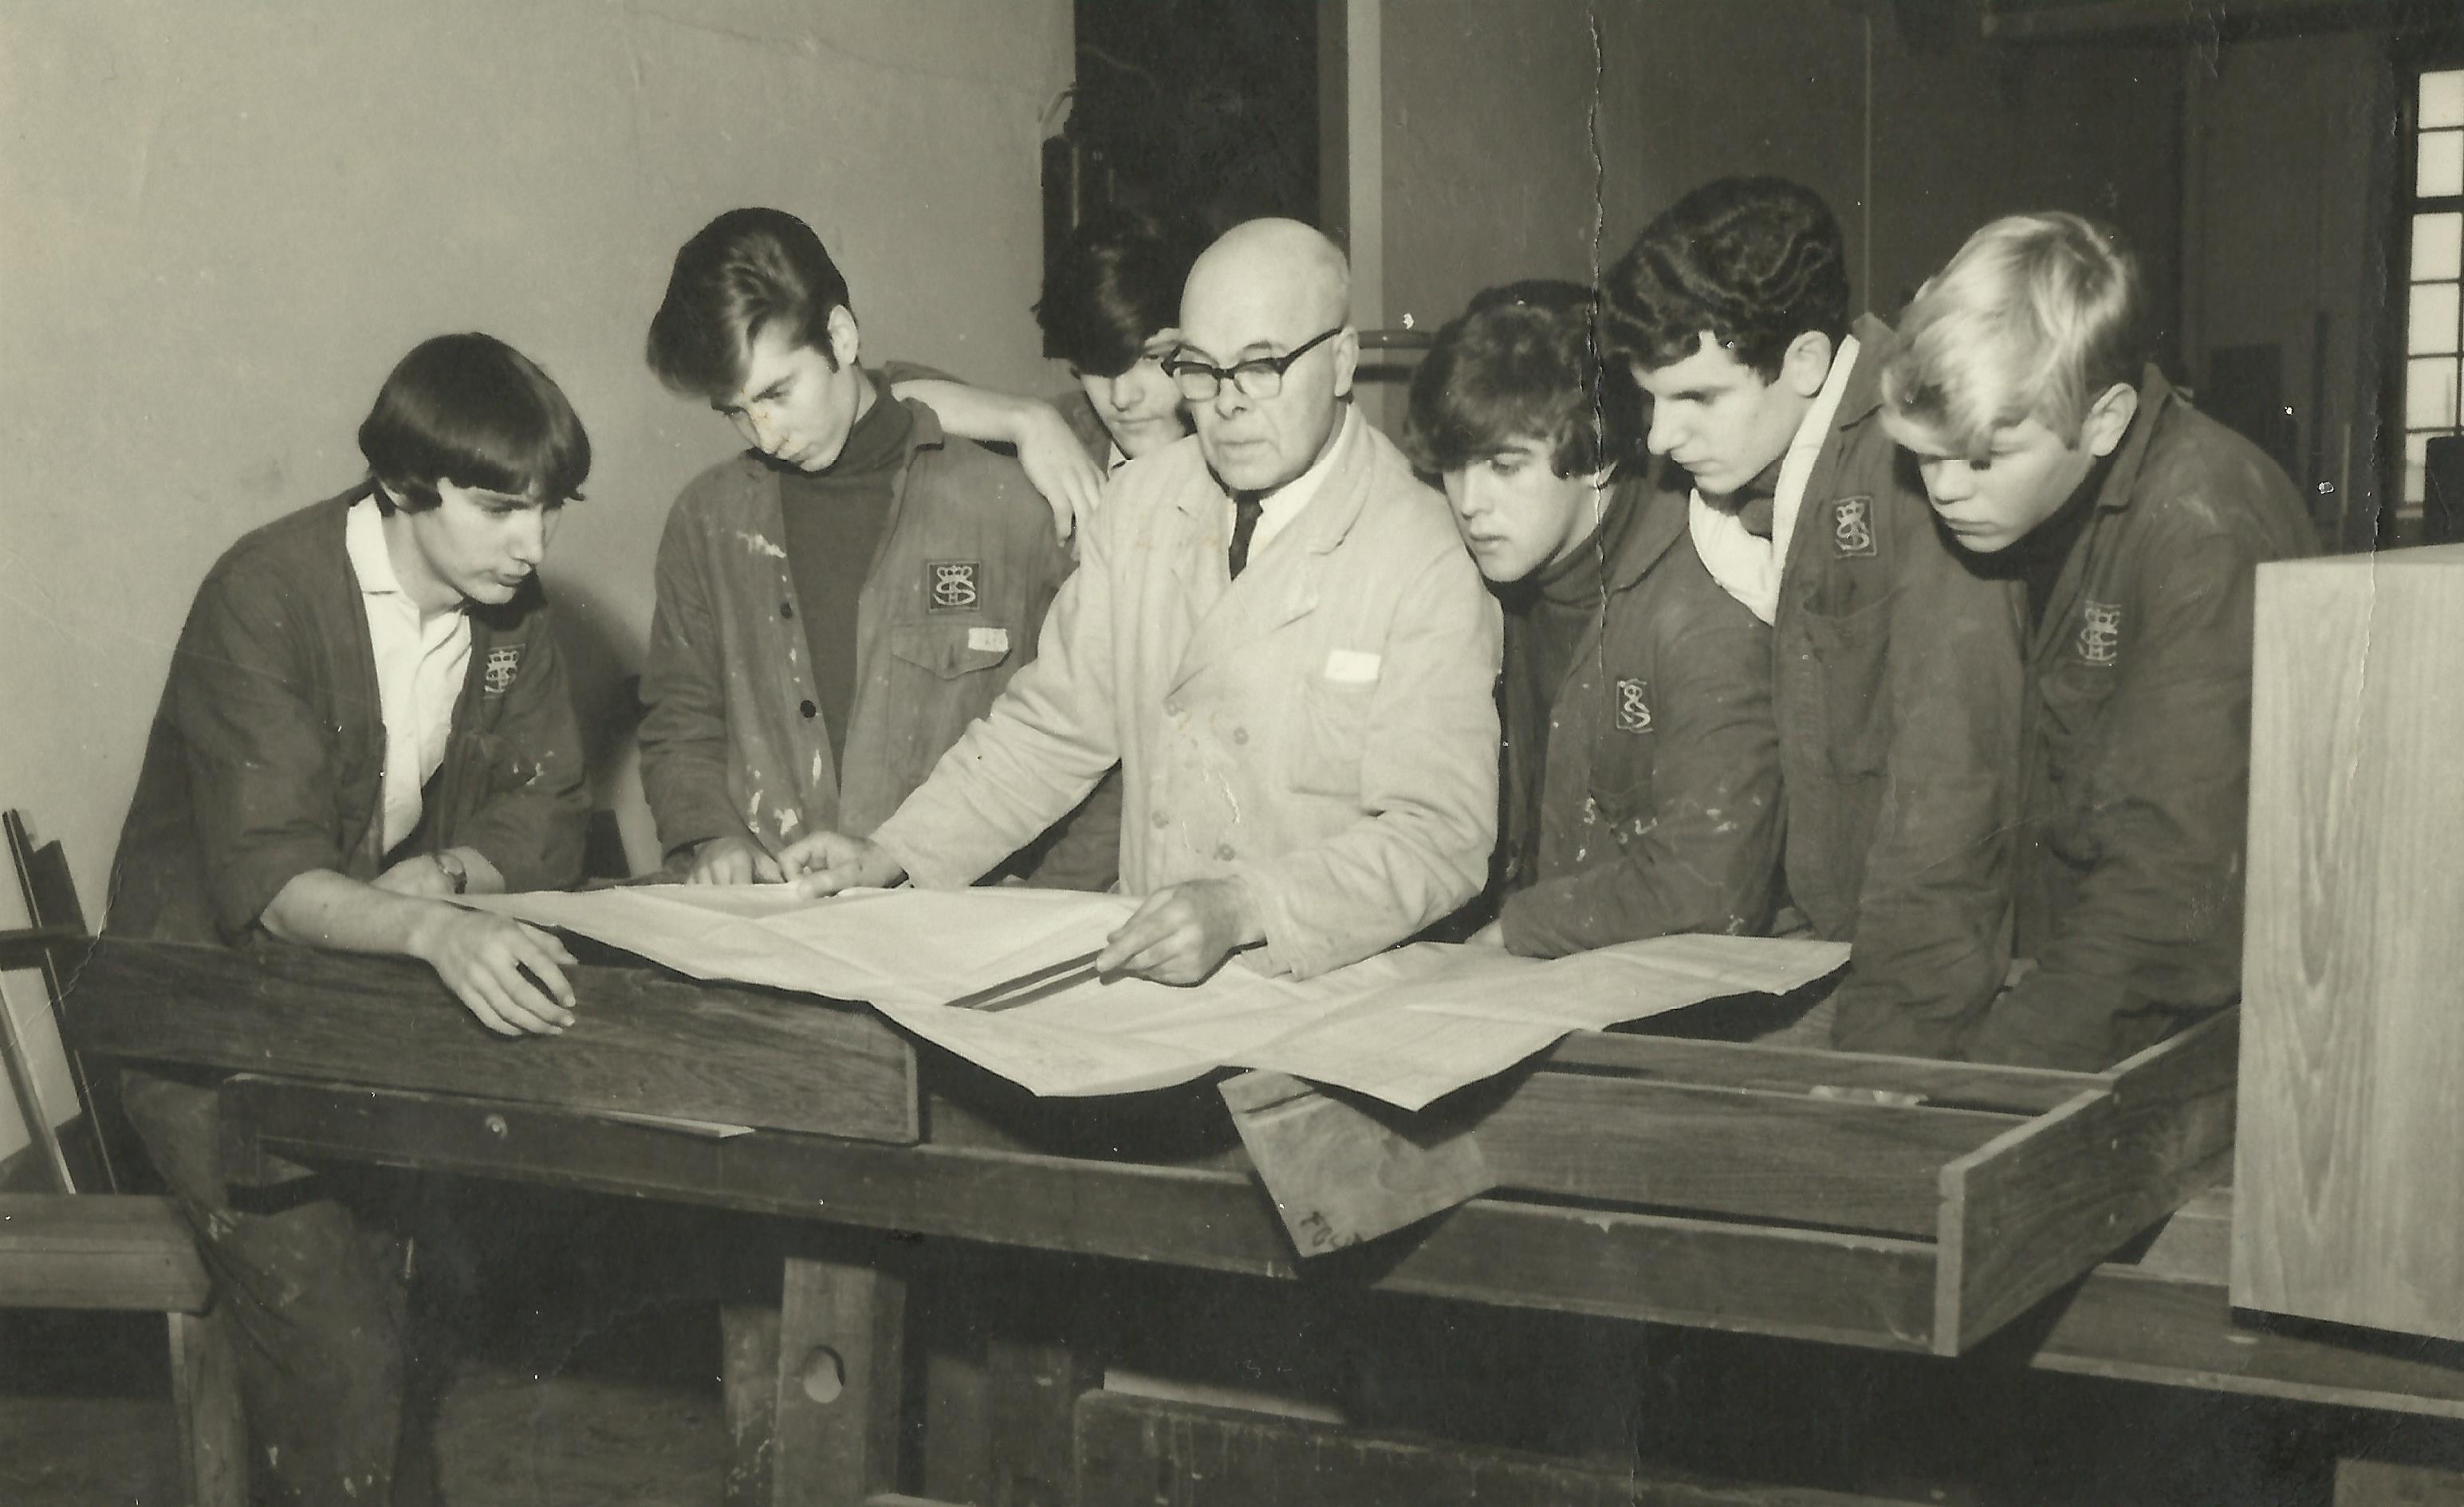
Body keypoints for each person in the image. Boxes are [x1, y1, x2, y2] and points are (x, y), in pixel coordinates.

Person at [105, 332, 595, 1501]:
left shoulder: (505, 618)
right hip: (197, 1016)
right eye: (497, 508)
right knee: (349, 1352)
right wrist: (427, 929)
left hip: (336, 1001)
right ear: (400, 486)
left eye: (550, 508)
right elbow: (271, 884)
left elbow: (551, 810)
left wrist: (454, 877)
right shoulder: (266, 592)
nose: (533, 545)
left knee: (378, 1322)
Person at [781, 218, 1501, 984]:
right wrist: (893, 851)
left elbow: (1440, 837)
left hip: (1326, 990)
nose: (1224, 405)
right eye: (1199, 369)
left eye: (1260, 367)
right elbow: (1050, 732)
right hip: (1153, 986)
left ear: (1341, 362)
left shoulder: (1422, 551)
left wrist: (1244, 908)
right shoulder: (1142, 505)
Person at [1879, 213, 2313, 1068]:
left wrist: (1990, 1088)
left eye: (1983, 458)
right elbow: (1941, 819)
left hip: (2190, 1032)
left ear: (2107, 419)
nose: (1944, 492)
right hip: (2054, 997)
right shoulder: (2005, 512)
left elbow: (2172, 893)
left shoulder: (2207, 530)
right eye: (1924, 458)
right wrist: (1891, 1056)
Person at [1602, 177, 2024, 1056]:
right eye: (1651, 400)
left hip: (1932, 988)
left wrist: (1877, 1057)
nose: (1657, 439)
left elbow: (1952, 793)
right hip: (1831, 949)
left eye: (1697, 399)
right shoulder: (1759, 477)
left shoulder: (1909, 462)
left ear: (1802, 362)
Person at [638, 207, 1116, 891]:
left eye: (778, 392)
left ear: (839, 335)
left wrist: (1044, 903)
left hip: (968, 939)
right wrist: (711, 835)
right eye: (736, 412)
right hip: (776, 931)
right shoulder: (706, 521)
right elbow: (680, 718)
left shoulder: (1014, 506)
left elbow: (1096, 737)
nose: (765, 434)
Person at [1404, 280, 1781, 956]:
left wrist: (1518, 931)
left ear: (1599, 456)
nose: (1468, 502)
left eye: (1503, 465)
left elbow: (1710, 887)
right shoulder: (1489, 578)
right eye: (1454, 467)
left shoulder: (1706, 600)